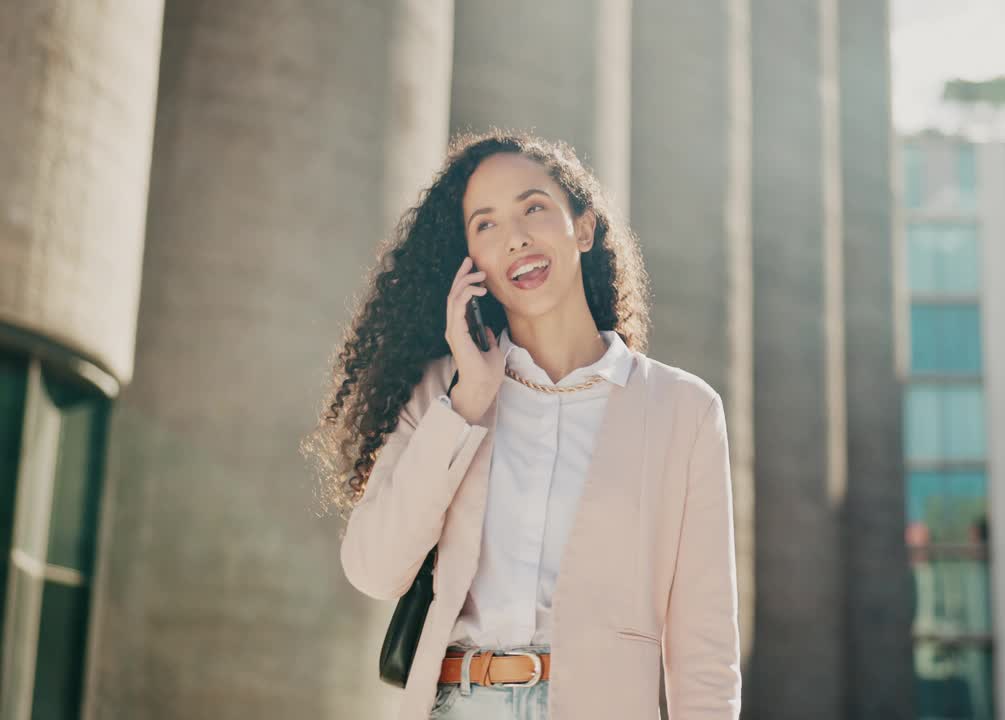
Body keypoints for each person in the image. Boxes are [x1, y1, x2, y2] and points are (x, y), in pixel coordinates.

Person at [304, 130, 741, 720]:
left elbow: (705, 640)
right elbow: (375, 570)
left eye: (534, 208)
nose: (515, 237)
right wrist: (466, 406)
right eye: (485, 224)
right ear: (471, 259)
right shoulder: (442, 392)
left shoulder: (683, 410)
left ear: (582, 228)